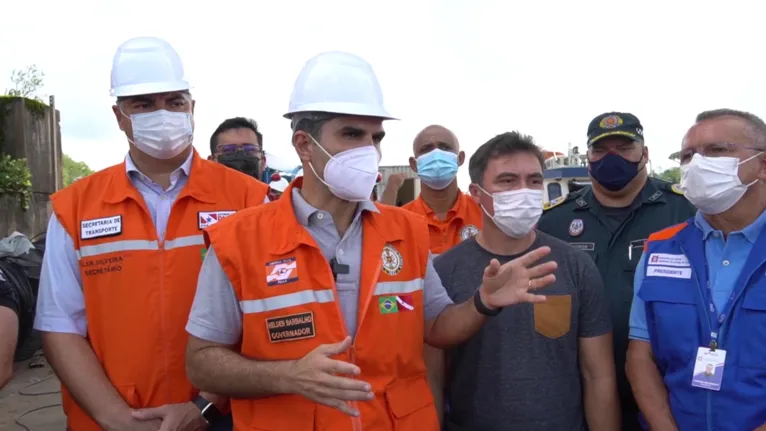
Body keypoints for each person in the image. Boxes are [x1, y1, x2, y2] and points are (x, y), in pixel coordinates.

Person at [183, 51, 558, 431]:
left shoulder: (406, 231)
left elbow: (437, 326)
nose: (370, 150)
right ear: (304, 144)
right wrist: (287, 375)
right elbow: (201, 362)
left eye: (375, 137)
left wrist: (482, 303)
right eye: (352, 134)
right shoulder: (238, 240)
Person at [34, 37, 269, 431]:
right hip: (110, 420)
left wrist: (203, 407)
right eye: (143, 104)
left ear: (192, 108)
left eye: (174, 101)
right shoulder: (75, 208)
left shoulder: (250, 199)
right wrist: (117, 418)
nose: (162, 114)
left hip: (225, 417)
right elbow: (61, 326)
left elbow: (269, 318)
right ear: (118, 115)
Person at [433, 131, 619, 431]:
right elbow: (432, 376)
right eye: (507, 181)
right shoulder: (444, 270)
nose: (524, 191)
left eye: (534, 181)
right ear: (477, 193)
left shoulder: (574, 265)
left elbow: (598, 375)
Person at [537, 112, 696, 430]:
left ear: (645, 154)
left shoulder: (685, 211)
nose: (612, 158)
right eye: (600, 150)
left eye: (624, 148)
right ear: (587, 158)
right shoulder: (554, 221)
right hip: (579, 391)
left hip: (666, 391)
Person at [627, 109, 766, 431]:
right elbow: (640, 357)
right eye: (688, 155)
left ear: (762, 165)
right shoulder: (659, 249)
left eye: (717, 150)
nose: (698, 164)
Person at [209, 117, 266, 181]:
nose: (240, 155)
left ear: (263, 162)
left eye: (250, 149)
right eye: (228, 150)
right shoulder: (197, 190)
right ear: (211, 162)